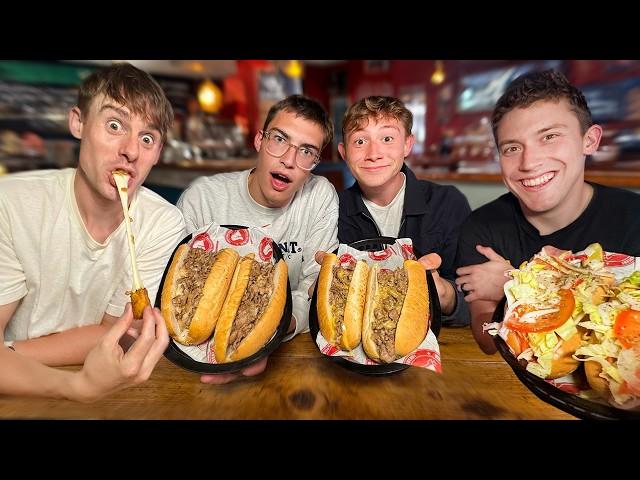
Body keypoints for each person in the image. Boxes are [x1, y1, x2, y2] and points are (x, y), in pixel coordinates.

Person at [0, 63, 186, 401]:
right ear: (78, 123)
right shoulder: (11, 205)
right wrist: (78, 386)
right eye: (115, 125)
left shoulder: (163, 224)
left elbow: (114, 334)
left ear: (157, 153)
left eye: (147, 138)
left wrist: (9, 353)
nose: (131, 151)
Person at [454, 69, 640, 354]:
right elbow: (485, 336)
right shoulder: (481, 227)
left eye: (549, 136)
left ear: (589, 140)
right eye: (512, 147)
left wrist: (515, 285)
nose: (529, 162)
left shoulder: (633, 219)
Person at [177, 94, 338, 383]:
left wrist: (277, 329)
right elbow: (176, 291)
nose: (289, 160)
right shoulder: (202, 199)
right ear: (259, 140)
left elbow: (313, 287)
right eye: (279, 140)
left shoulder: (320, 197)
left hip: (291, 370)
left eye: (306, 152)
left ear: (315, 162)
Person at [332, 96, 472, 326]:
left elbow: (476, 306)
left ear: (407, 144)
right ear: (344, 152)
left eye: (387, 138)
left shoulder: (448, 203)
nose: (373, 153)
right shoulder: (332, 210)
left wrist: (445, 295)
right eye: (359, 142)